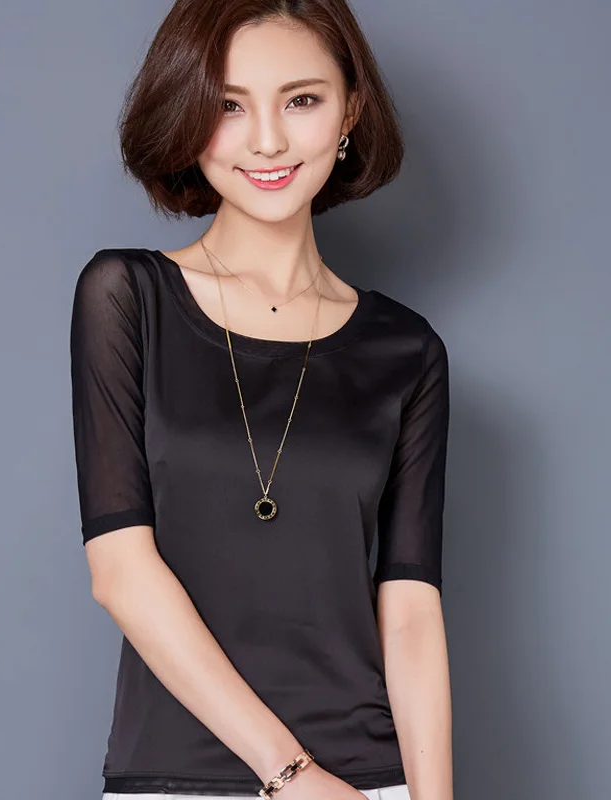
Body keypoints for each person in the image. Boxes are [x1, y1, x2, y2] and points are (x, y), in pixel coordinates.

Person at [69, 1, 453, 799]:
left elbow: (412, 611)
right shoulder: (127, 296)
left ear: (350, 111)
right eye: (228, 105)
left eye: (301, 99)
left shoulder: (406, 350)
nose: (268, 141)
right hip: (183, 778)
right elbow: (121, 572)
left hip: (372, 781)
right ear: (186, 117)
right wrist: (291, 775)